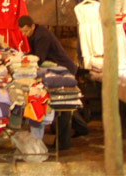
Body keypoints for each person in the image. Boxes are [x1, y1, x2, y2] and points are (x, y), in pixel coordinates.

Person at [18, 15, 89, 150]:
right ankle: (82, 128)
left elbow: (39, 58)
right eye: (22, 32)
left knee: (62, 104)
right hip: (58, 70)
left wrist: (26, 63)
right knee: (66, 104)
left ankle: (63, 143)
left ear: (32, 26)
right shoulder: (35, 34)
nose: (24, 34)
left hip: (63, 71)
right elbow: (34, 54)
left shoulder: (42, 36)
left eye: (26, 31)